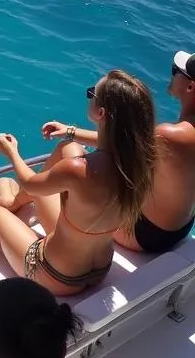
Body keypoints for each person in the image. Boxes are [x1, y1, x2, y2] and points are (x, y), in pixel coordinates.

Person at [0, 69, 157, 295]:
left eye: (92, 93)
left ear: (101, 113)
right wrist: (70, 132)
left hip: (54, 275)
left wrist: (12, 153)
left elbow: (30, 182)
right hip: (99, 269)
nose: (88, 95)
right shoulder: (142, 161)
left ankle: (9, 203)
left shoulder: (78, 170)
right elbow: (119, 137)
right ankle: (12, 200)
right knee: (69, 147)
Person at [42, 51, 195, 253]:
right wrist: (71, 131)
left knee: (67, 153)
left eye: (176, 71)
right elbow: (134, 145)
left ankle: (16, 202)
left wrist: (70, 134)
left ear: (190, 86)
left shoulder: (171, 135)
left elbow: (125, 145)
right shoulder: (177, 136)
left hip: (144, 233)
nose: (172, 74)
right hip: (179, 229)